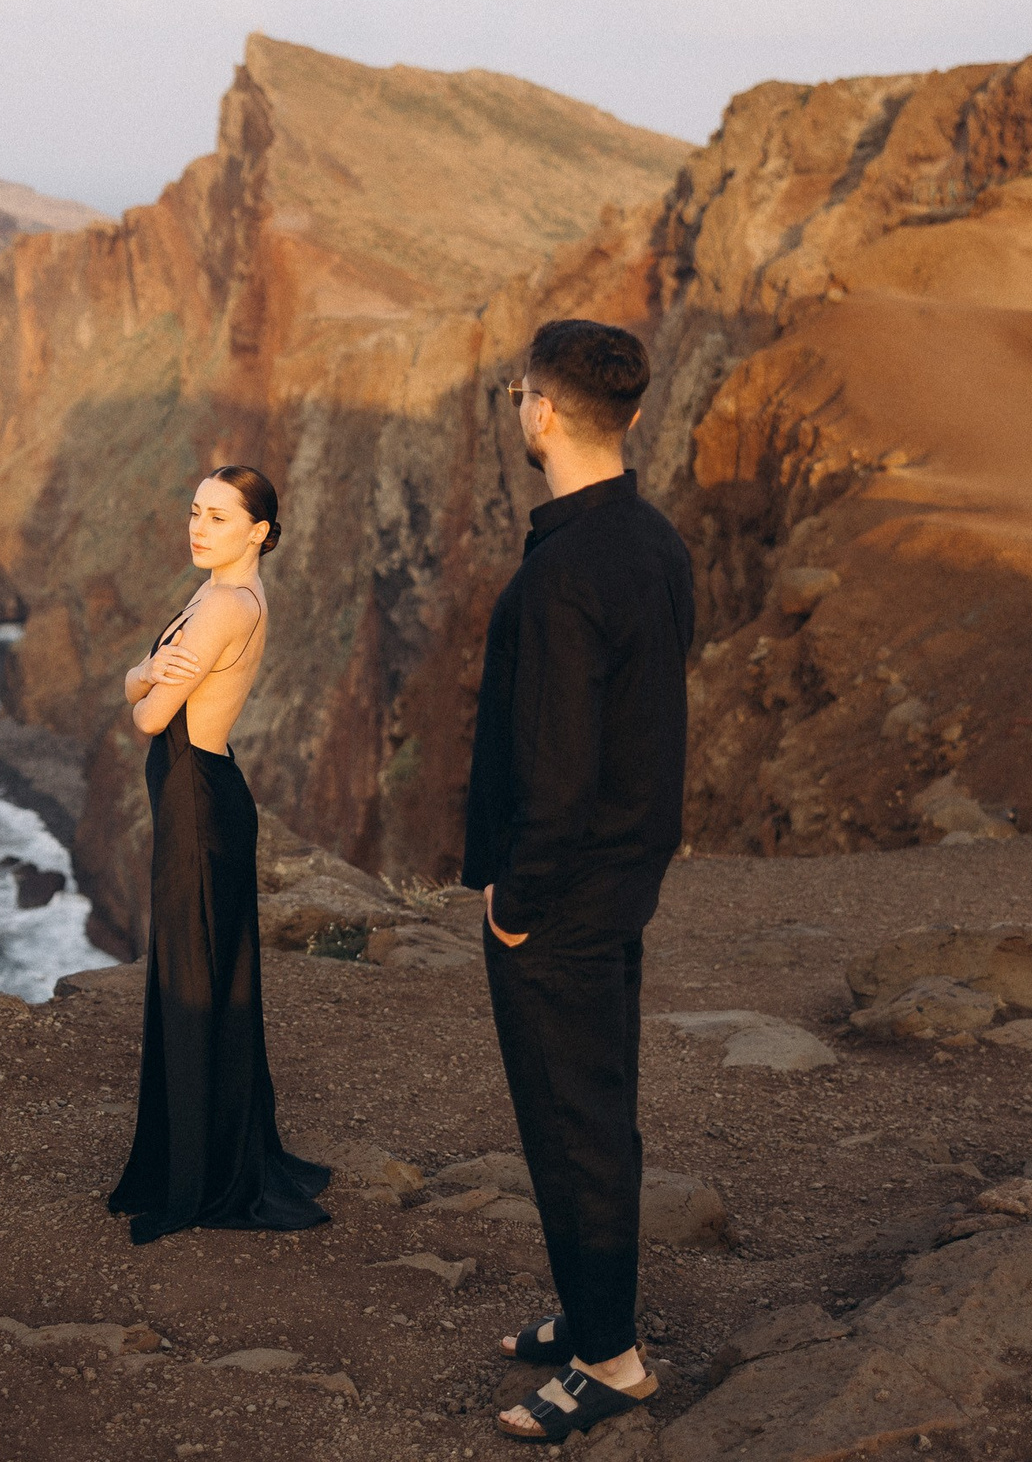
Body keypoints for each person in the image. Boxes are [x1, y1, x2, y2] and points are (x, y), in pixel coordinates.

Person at [463, 321, 695, 1445]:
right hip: (623, 877)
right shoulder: (653, 542)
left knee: (572, 1123)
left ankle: (610, 1362)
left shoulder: (562, 574)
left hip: (561, 900)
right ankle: (590, 1309)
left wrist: (514, 902)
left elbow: (556, 775)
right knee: (596, 1105)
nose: (519, 407)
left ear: (541, 412)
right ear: (631, 416)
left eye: (520, 394)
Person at [106, 466, 332, 1244]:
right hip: (202, 794)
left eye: (218, 517)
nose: (198, 528)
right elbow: (138, 684)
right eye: (195, 511)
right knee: (203, 974)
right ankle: (208, 1152)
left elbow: (148, 714)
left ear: (259, 531)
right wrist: (144, 674)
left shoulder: (227, 605)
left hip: (198, 804)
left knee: (195, 981)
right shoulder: (220, 592)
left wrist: (143, 679)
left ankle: (202, 1175)